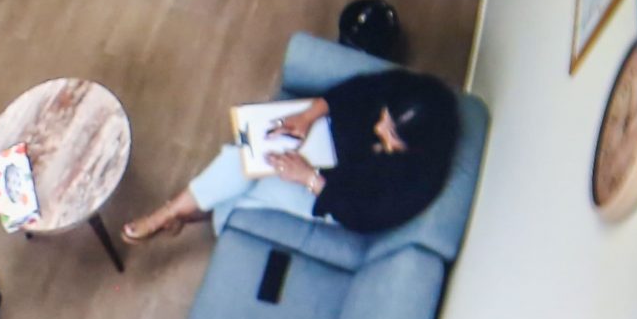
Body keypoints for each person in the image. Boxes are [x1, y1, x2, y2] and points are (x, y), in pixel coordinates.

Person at [122, 66, 460, 243]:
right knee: (245, 161)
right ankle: (178, 215)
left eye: (392, 136)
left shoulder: (421, 179)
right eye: (384, 118)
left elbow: (363, 217)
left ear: (416, 146)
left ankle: (172, 213)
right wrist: (309, 116)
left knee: (246, 171)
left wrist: (309, 179)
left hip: (335, 193)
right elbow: (357, 89)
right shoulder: (407, 88)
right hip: (326, 143)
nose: (380, 129)